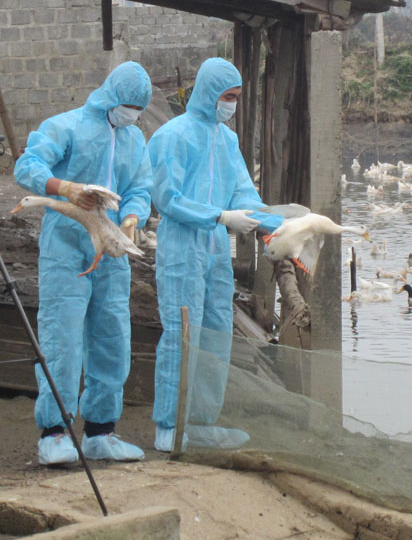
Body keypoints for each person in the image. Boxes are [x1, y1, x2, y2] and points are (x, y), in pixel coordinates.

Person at [14, 61, 153, 465]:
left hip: (111, 247)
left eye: (137, 109)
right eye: (127, 105)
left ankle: (100, 431)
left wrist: (131, 219)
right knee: (63, 336)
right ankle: (54, 433)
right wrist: (65, 188)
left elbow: (139, 187)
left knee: (112, 336)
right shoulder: (66, 126)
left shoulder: (134, 140)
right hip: (66, 246)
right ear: (111, 95)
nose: (131, 114)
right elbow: (27, 166)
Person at [149, 57, 282, 452]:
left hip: (215, 255)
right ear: (208, 93)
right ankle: (170, 427)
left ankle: (202, 423)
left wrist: (272, 224)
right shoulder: (173, 136)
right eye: (228, 96)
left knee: (216, 336)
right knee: (181, 335)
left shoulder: (227, 140)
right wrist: (219, 216)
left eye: (238, 98)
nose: (232, 105)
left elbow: (242, 189)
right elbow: (167, 197)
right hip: (181, 251)